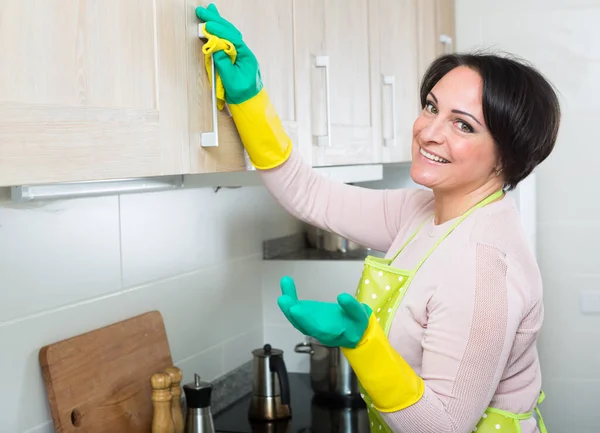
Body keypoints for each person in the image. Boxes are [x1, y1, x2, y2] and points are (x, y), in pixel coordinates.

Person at [195, 4, 560, 433]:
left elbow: (441, 429)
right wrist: (249, 100)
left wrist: (362, 344)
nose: (429, 131)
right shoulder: (423, 212)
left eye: (462, 126)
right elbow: (309, 194)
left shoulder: (482, 267)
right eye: (431, 107)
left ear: (507, 156)